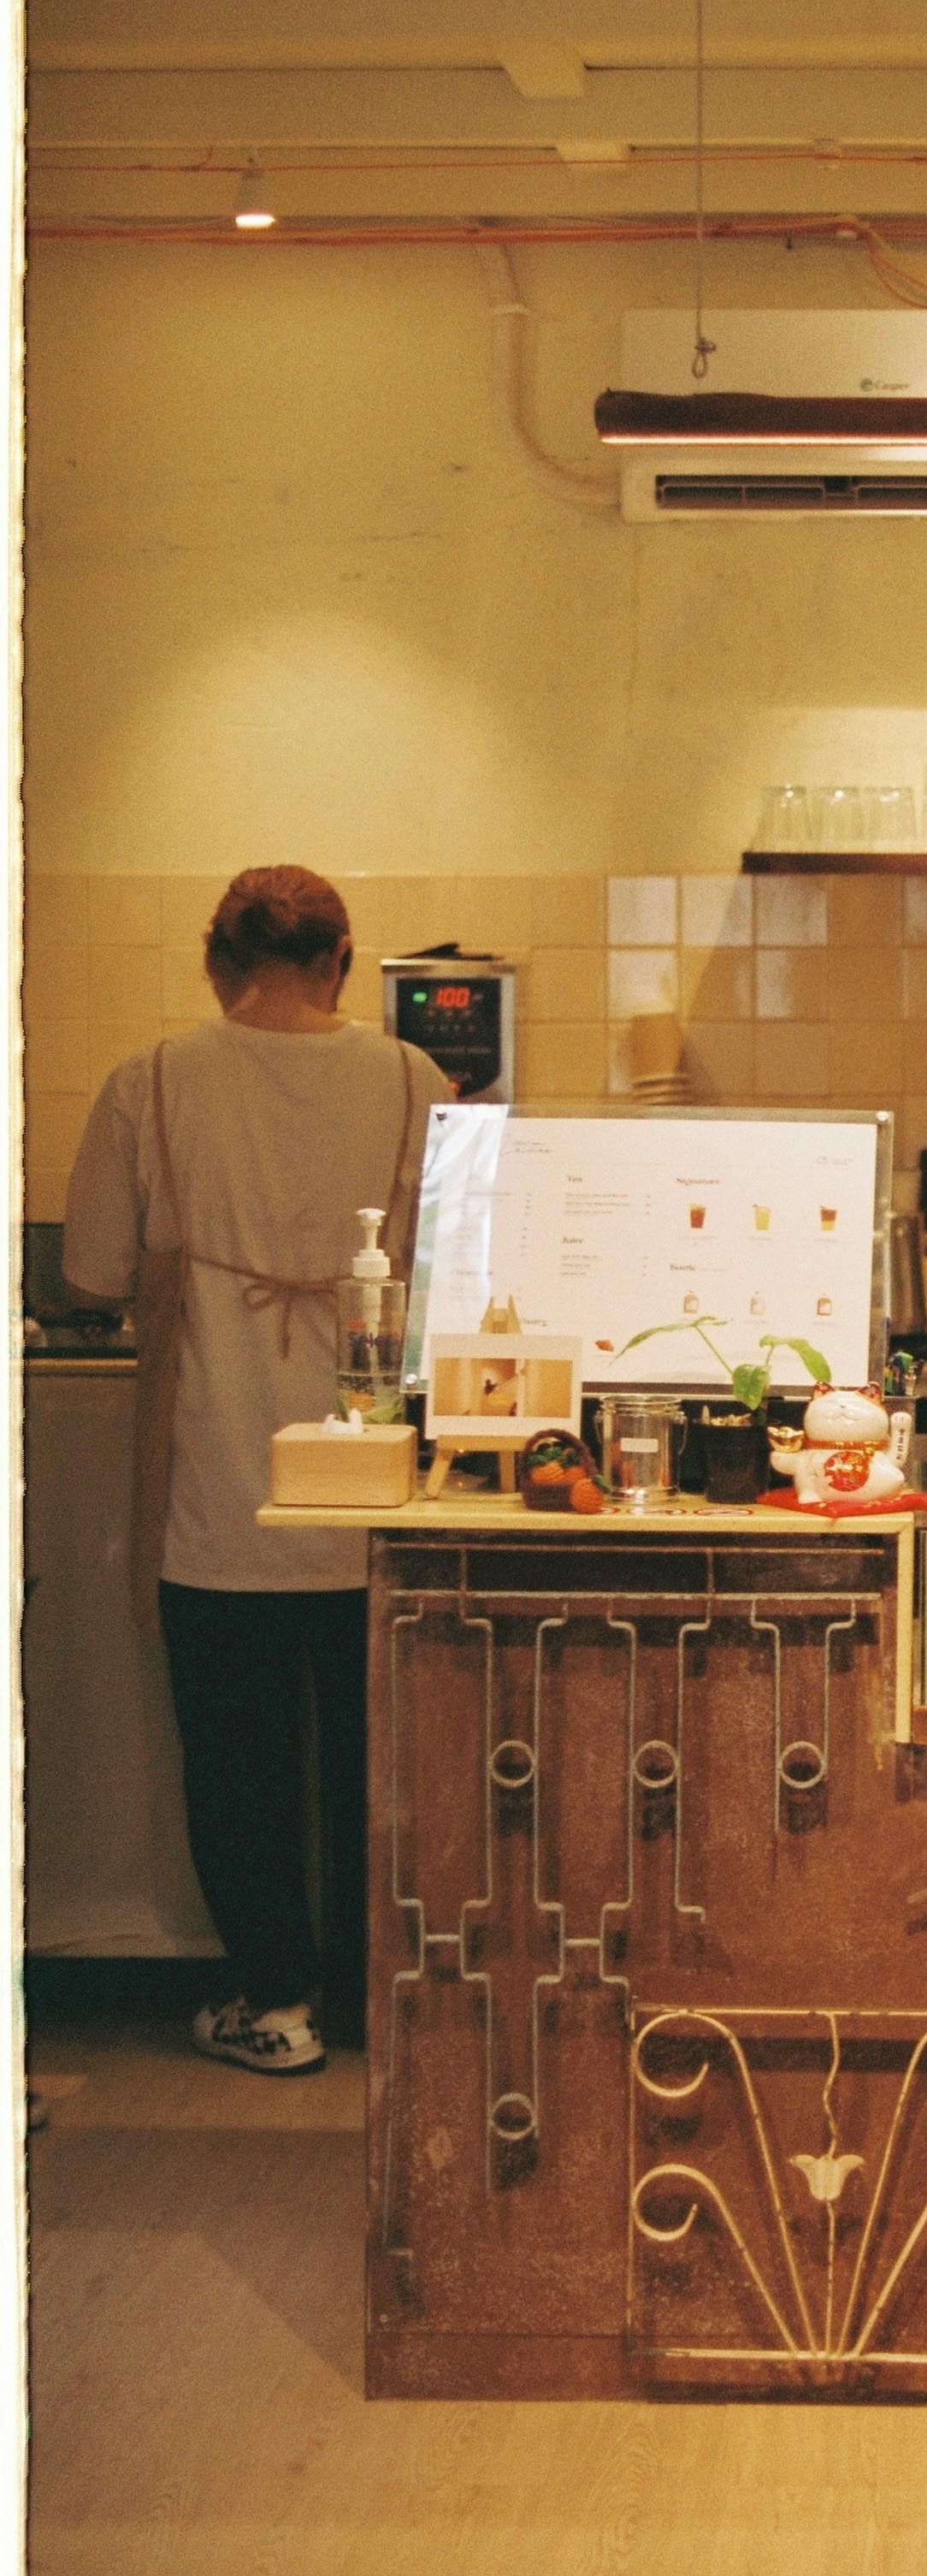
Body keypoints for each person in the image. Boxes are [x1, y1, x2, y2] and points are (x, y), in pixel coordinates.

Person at [63, 866, 446, 2076]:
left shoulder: (153, 1081)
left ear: (218, 962)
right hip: (380, 1483)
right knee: (376, 1761)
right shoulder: (412, 1078)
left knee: (237, 1761)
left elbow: (89, 1272)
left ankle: (275, 2005)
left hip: (214, 1476)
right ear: (340, 960)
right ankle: (382, 2004)